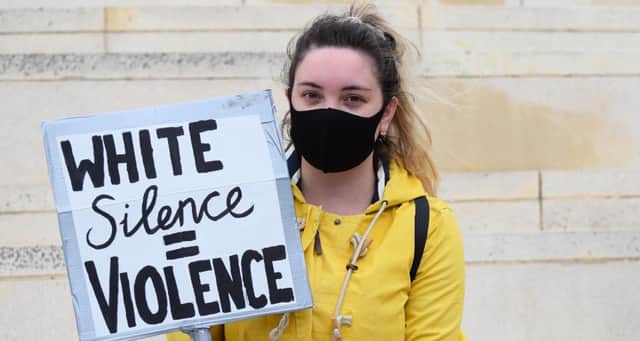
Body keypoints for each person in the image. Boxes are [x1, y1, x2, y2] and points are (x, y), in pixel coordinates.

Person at [168, 2, 465, 340]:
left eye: (352, 99)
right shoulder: (231, 210)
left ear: (386, 113)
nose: (328, 111)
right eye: (311, 95)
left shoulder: (427, 228)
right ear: (290, 99)